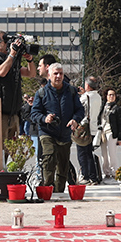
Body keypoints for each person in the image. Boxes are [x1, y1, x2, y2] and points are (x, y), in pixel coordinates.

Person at [30, 63, 83, 192]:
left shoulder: (71, 91)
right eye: (55, 73)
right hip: (47, 131)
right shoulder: (41, 93)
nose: (58, 76)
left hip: (65, 133)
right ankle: (47, 188)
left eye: (61, 73)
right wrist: (44, 118)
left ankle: (59, 191)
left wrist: (75, 120)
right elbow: (34, 114)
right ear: (49, 75)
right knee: (49, 156)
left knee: (63, 164)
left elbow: (80, 110)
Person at [0, 31, 35, 144]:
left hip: (14, 112)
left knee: (13, 149)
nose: (8, 43)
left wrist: (29, 60)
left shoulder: (12, 61)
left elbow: (31, 74)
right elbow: (1, 72)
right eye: (5, 40)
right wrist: (12, 54)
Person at [77, 76, 103, 184]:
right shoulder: (98, 97)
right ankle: (93, 176)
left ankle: (85, 176)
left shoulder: (84, 97)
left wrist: (82, 94)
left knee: (82, 153)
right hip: (93, 128)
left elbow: (79, 108)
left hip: (84, 127)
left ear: (87, 85)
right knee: (89, 153)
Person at [97, 88, 121, 179]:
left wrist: (120, 138)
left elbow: (120, 124)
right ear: (106, 96)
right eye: (109, 95)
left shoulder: (117, 109)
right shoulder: (102, 107)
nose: (111, 96)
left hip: (111, 132)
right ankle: (106, 172)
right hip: (102, 132)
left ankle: (114, 171)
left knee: (112, 153)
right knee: (104, 154)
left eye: (113, 95)